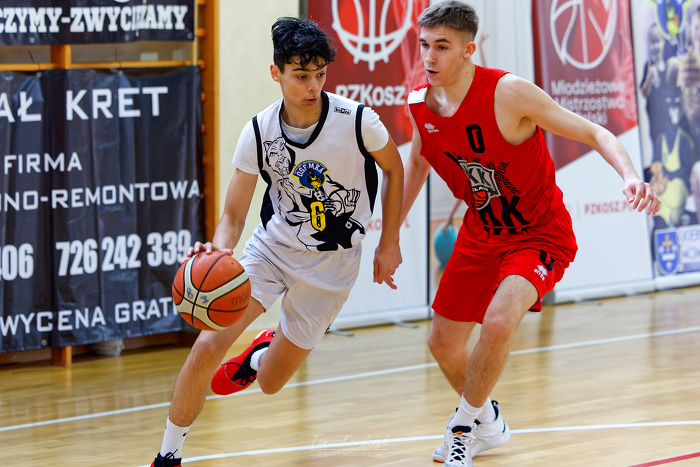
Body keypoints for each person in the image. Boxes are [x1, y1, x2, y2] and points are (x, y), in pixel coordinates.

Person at [399, 3, 661, 467]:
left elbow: (594, 132)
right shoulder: (421, 104)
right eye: (424, 45)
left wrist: (628, 176)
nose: (430, 57)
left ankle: (461, 427)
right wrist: (390, 235)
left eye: (442, 46)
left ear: (469, 50)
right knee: (442, 344)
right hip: (481, 232)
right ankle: (487, 422)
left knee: (499, 321)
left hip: (539, 232)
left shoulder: (508, 93)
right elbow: (417, 165)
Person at [150, 16, 403, 467]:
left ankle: (259, 353)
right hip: (271, 251)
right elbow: (233, 215)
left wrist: (389, 242)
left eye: (320, 74)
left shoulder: (358, 122)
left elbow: (395, 168)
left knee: (270, 383)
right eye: (301, 75)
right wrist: (219, 252)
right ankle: (168, 455)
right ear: (276, 72)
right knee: (207, 346)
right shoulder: (258, 132)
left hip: (332, 268)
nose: (313, 86)